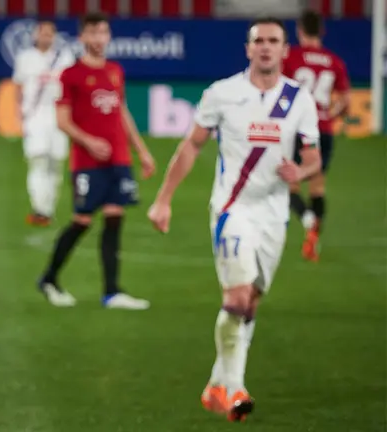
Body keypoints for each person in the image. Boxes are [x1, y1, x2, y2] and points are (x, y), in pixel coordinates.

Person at [147, 18, 321, 422]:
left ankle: (215, 385)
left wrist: (303, 172)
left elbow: (312, 157)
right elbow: (191, 146)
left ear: (284, 50)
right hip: (232, 209)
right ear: (247, 49)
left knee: (252, 302)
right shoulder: (223, 94)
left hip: (274, 217)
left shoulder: (300, 100)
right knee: (237, 298)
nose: (265, 47)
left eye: (273, 41)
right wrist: (163, 200)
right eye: (258, 40)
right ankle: (235, 387)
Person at [37, 12, 155, 309]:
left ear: (108, 36)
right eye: (93, 33)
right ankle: (49, 279)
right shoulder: (71, 75)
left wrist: (141, 151)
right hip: (87, 162)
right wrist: (90, 141)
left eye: (103, 32)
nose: (99, 38)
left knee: (115, 218)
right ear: (82, 37)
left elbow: (122, 111)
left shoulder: (115, 71)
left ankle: (112, 292)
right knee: (82, 220)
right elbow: (62, 121)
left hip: (118, 159)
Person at [282, 9, 351, 261]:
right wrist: (329, 114)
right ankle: (313, 238)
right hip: (323, 129)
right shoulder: (334, 61)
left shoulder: (292, 57)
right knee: (317, 184)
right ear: (322, 31)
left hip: (297, 129)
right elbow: (345, 101)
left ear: (300, 31)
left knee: (289, 183)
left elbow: (285, 94)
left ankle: (307, 219)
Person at [12, 20, 75, 227]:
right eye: (43, 33)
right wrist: (20, 113)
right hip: (35, 115)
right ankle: (39, 208)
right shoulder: (25, 58)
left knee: (55, 164)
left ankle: (48, 208)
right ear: (36, 35)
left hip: (58, 113)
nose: (46, 37)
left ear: (55, 36)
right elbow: (18, 87)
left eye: (50, 34)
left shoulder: (65, 57)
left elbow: (73, 88)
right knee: (37, 160)